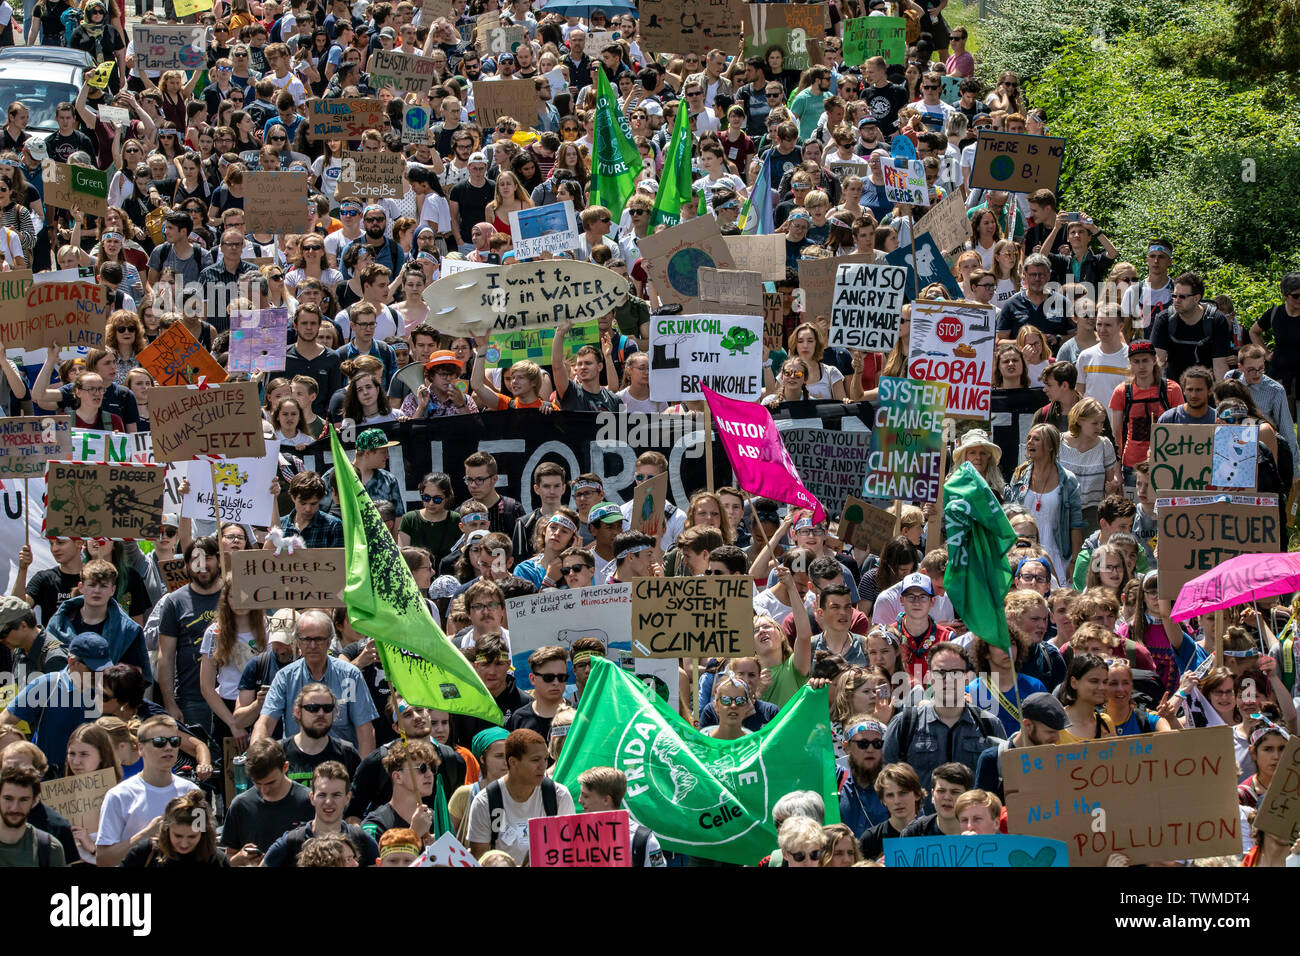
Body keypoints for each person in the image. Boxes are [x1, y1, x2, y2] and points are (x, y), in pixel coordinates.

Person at [882, 642, 1004, 796]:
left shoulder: (990, 725)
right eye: (940, 673)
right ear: (929, 677)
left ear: (967, 678)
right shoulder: (904, 724)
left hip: (973, 819)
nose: (948, 679)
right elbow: (886, 779)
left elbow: (1005, 780)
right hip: (920, 819)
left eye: (956, 672)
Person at [251, 610, 378, 755]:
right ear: (298, 642)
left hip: (341, 766)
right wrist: (257, 758)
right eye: (306, 639)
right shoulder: (284, 678)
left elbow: (365, 731)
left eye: (318, 639)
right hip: (296, 767)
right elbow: (265, 724)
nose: (312, 645)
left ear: (330, 641)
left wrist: (361, 775)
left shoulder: (350, 675)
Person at [94, 715, 200, 867]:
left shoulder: (192, 792)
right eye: (160, 742)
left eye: (174, 741)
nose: (169, 747)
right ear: (140, 748)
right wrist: (146, 835)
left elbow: (204, 848)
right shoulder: (118, 796)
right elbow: (104, 859)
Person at [466, 728, 575, 864]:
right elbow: (480, 860)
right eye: (535, 760)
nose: (543, 766)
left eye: (545, 759)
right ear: (512, 762)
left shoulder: (559, 796)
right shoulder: (484, 802)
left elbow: (570, 851)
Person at [221, 737, 314, 865]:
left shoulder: (309, 801)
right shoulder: (240, 805)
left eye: (271, 782)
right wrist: (240, 858)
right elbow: (228, 857)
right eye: (258, 783)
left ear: (285, 767)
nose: (265, 790)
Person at [973, 692, 1067, 801]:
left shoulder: (1059, 759)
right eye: (1050, 732)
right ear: (1027, 725)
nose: (1057, 739)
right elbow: (981, 808)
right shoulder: (993, 759)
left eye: (1059, 732)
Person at [1150, 272, 1233, 382]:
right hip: (1175, 388)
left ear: (1196, 298)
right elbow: (1157, 362)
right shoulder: (1164, 319)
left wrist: (1221, 397)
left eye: (1182, 297)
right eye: (1174, 296)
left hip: (1207, 388)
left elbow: (1220, 366)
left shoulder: (1216, 320)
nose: (1177, 300)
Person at [576, 767, 666, 867]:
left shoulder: (643, 840)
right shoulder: (575, 836)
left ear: (606, 800)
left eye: (586, 796)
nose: (580, 800)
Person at [281, 684, 361, 789]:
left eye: (327, 708)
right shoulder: (279, 752)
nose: (321, 713)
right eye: (313, 708)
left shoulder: (347, 754)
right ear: (298, 712)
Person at [0, 765, 66, 867]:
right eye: (8, 798)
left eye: (23, 800)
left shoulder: (50, 849)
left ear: (34, 801)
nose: (14, 808)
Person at [837, 715, 889, 839]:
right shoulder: (835, 779)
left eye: (877, 744)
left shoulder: (897, 785)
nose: (870, 749)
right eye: (862, 744)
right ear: (846, 747)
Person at [506, 646, 568, 738]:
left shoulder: (579, 713)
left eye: (561, 677)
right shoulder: (519, 719)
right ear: (533, 679)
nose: (556, 682)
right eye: (548, 678)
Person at [898, 763, 973, 838]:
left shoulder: (979, 832)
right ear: (933, 795)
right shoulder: (913, 833)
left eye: (955, 792)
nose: (947, 797)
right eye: (941, 791)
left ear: (967, 797)